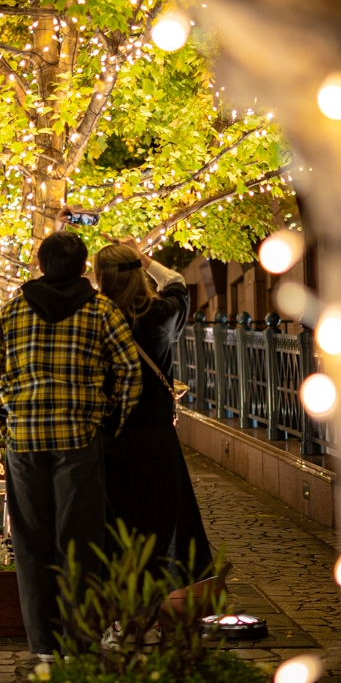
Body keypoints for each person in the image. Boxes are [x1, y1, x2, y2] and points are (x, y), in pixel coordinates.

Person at [0, 229, 142, 659]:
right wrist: (110, 420)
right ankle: (78, 641)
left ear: (41, 265)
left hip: (26, 439)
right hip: (79, 439)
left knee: (31, 542)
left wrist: (6, 415)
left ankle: (43, 645)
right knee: (80, 542)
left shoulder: (13, 312)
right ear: (84, 267)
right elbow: (129, 372)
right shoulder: (102, 310)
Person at [94, 238, 213, 582]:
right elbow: (176, 283)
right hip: (155, 436)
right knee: (161, 523)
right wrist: (141, 256)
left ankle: (120, 610)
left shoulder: (96, 318)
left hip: (109, 436)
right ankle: (159, 607)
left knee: (116, 527)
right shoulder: (159, 315)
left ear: (102, 278)